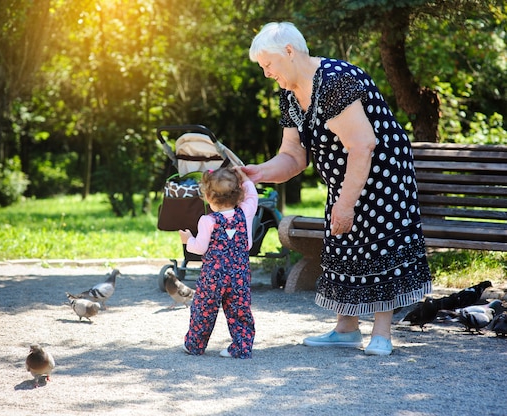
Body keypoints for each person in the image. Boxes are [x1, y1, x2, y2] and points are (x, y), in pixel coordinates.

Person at [243, 22, 432, 356]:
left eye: (268, 64)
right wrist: (259, 173)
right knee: (343, 240)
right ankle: (346, 329)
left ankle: (382, 334)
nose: (266, 73)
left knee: (376, 239)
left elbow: (363, 146)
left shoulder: (334, 80)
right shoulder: (290, 95)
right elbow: (293, 157)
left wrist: (345, 205)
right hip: (346, 174)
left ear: (289, 51)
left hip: (380, 169)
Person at [179, 167, 258, 358]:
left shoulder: (208, 220)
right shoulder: (245, 212)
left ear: (207, 196)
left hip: (213, 276)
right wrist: (246, 179)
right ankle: (241, 347)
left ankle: (195, 344)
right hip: (239, 273)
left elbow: (199, 248)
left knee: (204, 308)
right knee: (240, 309)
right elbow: (253, 195)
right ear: (239, 195)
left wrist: (187, 240)